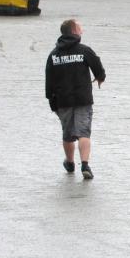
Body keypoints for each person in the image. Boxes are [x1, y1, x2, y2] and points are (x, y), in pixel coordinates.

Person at [45, 19, 106, 180]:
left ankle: (70, 162)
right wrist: (100, 77)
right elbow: (97, 66)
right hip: (83, 99)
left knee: (68, 134)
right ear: (73, 32)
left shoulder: (53, 55)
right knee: (83, 132)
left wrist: (52, 101)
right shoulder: (84, 50)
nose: (82, 31)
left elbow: (49, 80)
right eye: (80, 29)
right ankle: (85, 165)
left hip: (63, 101)